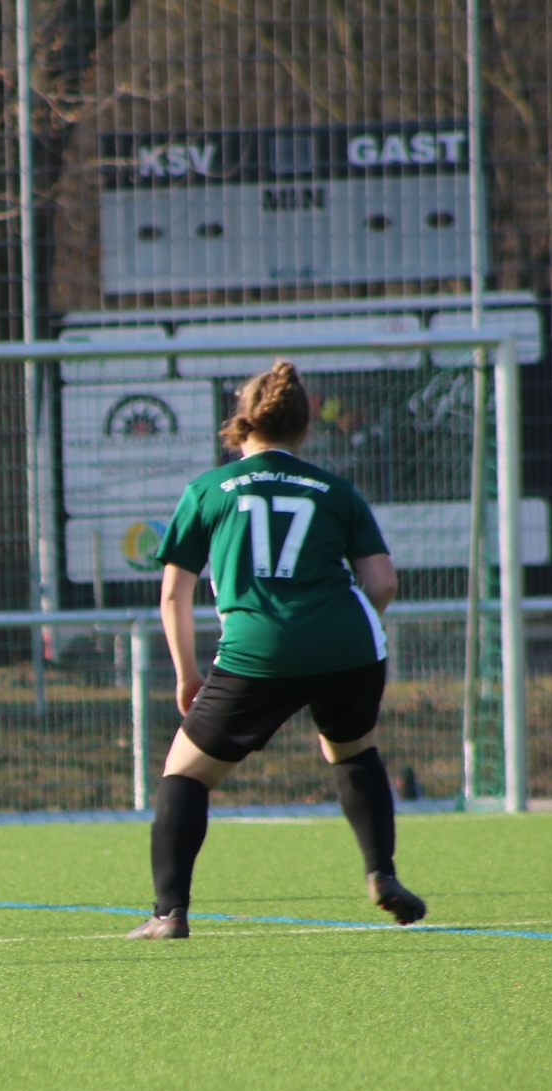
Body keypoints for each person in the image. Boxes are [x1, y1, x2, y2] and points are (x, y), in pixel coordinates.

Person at [126, 360, 427, 940]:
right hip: (351, 645)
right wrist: (343, 631)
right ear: (303, 427)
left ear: (241, 423)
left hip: (257, 651)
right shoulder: (335, 490)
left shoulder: (207, 491)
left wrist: (187, 674)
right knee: (352, 751)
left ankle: (169, 914)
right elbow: (384, 582)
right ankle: (381, 874)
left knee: (184, 775)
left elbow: (173, 594)